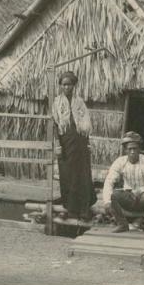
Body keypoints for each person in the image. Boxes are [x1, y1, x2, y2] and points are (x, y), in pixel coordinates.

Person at [52, 71, 96, 222]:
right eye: (64, 84)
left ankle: (84, 210)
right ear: (60, 86)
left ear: (73, 85)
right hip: (65, 144)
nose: (67, 87)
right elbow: (54, 125)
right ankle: (71, 209)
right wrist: (58, 144)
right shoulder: (57, 103)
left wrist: (88, 143)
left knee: (82, 175)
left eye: (69, 84)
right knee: (68, 175)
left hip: (81, 144)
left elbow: (85, 124)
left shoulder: (80, 103)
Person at [102, 131, 144, 233]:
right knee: (113, 195)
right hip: (128, 197)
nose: (132, 152)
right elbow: (109, 181)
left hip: (142, 199)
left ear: (139, 149)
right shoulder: (120, 162)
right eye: (129, 149)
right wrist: (107, 201)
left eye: (135, 148)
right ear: (125, 150)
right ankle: (122, 224)